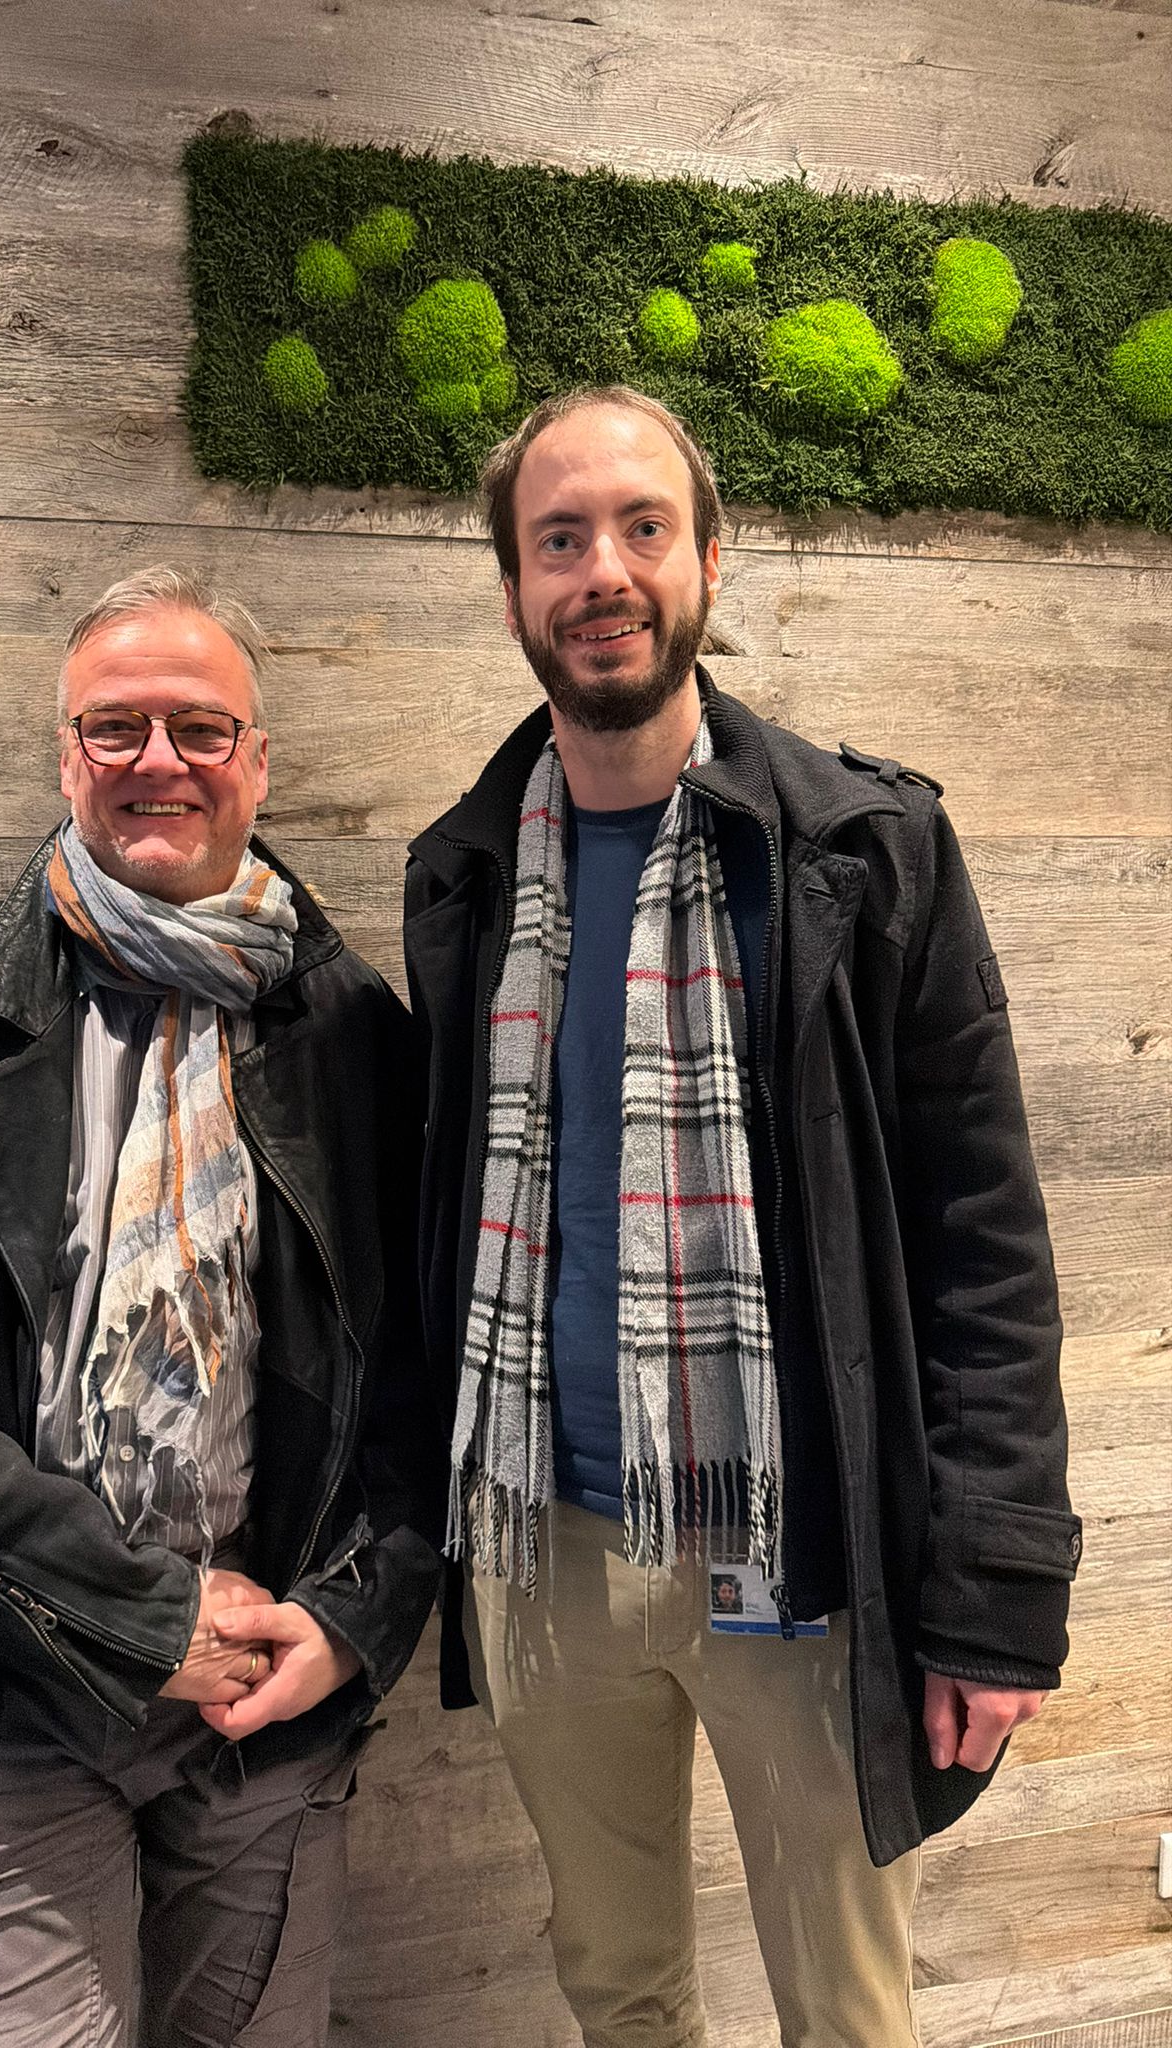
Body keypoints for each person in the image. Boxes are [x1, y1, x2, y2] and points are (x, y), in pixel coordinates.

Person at [402, 387, 1081, 2046]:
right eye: (559, 539)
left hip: (800, 1543)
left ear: (710, 557)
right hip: (543, 1541)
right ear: (514, 589)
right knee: (615, 1987)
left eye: (643, 527)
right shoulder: (465, 874)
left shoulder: (865, 852)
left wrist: (994, 1593)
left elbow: (986, 1244)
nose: (603, 571)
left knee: (845, 2009)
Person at [0, 567, 443, 2048]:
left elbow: (423, 1380)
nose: (157, 760)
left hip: (262, 1702)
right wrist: (133, 1614)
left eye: (201, 727)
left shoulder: (359, 1041)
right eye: (114, 727)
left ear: (258, 761)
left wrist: (351, 1622)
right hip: (1, 1687)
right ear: (67, 757)